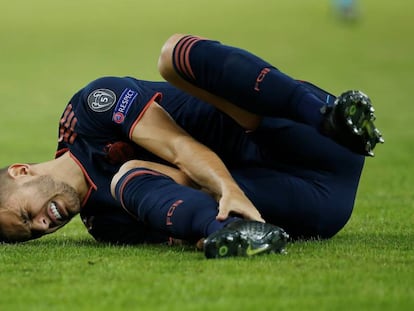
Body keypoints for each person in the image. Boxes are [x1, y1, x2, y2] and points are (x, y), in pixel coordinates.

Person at [0, 34, 383, 258]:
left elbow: (181, 147)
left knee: (173, 56)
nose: (42, 224)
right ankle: (236, 233)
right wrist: (210, 220)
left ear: (21, 172)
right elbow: (180, 224)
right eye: (32, 233)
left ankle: (332, 116)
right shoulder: (106, 225)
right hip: (311, 203)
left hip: (312, 139)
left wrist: (226, 187)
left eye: (24, 215)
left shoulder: (90, 108)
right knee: (130, 178)